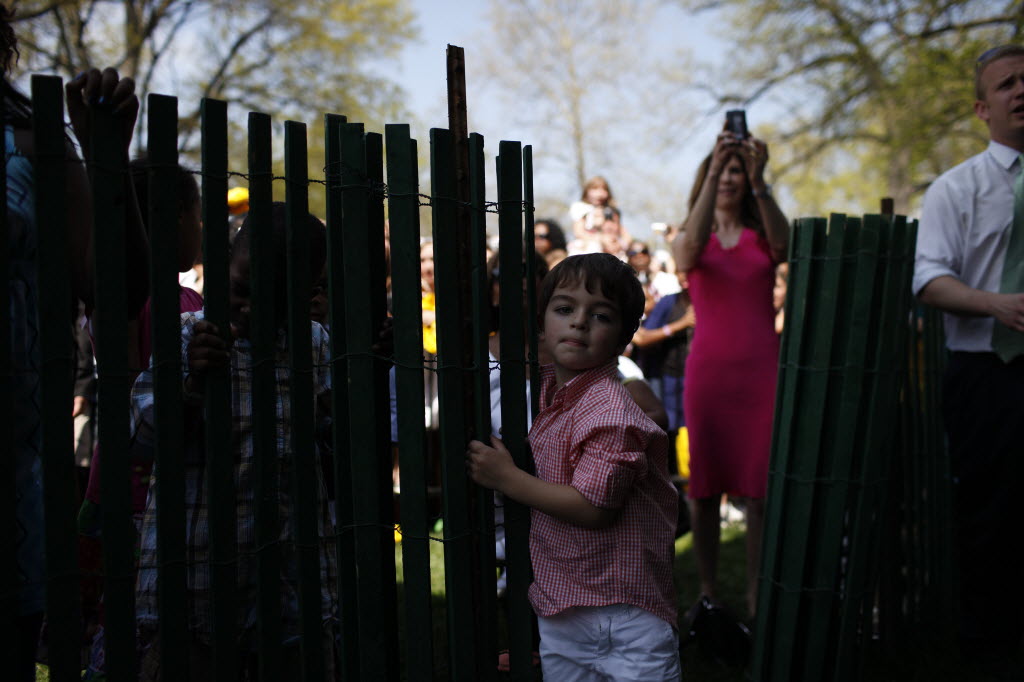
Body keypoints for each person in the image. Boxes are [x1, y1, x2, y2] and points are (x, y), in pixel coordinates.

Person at [133, 203, 337, 680]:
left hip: (288, 583)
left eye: (275, 299)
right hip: (196, 576)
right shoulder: (186, 335)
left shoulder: (315, 345)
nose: (250, 309)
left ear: (309, 295)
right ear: (226, 266)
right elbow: (140, 438)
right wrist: (191, 386)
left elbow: (331, 437)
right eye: (242, 290)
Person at [466, 253, 680, 681]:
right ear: (542, 323)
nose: (579, 322)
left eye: (600, 316)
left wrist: (507, 478)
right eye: (564, 309)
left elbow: (593, 508)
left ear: (623, 338)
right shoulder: (555, 391)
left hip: (624, 611)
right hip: (563, 602)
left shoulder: (610, 412)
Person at [913, 44, 1024, 678]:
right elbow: (929, 280)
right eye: (1007, 84)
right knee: (990, 515)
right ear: (983, 109)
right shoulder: (956, 189)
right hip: (988, 375)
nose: (1020, 90)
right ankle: (988, 647)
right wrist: (995, 304)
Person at [672, 122, 789, 620]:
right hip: (709, 376)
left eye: (737, 170)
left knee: (759, 491)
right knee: (703, 490)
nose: (729, 178)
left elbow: (786, 246)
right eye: (722, 169)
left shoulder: (762, 233)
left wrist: (761, 181)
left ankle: (757, 596)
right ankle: (707, 592)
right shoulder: (693, 236)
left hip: (762, 372)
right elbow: (686, 253)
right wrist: (717, 160)